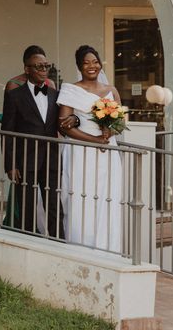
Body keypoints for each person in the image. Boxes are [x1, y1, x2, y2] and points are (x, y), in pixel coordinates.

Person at [57, 45, 123, 253]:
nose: (91, 66)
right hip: (81, 151)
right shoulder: (70, 90)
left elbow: (120, 122)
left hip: (107, 153)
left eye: (95, 62)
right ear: (79, 66)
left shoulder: (111, 91)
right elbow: (64, 126)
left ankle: (107, 248)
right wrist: (94, 140)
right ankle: (80, 248)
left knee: (107, 197)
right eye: (86, 63)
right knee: (80, 196)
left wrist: (108, 132)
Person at [1, 47, 64, 238]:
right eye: (38, 66)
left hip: (51, 159)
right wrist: (11, 165)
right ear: (27, 69)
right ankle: (29, 243)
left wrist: (75, 121)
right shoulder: (15, 96)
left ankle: (58, 243)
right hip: (25, 160)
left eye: (46, 66)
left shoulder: (55, 94)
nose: (44, 70)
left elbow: (63, 124)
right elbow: (8, 131)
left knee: (54, 206)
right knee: (27, 207)